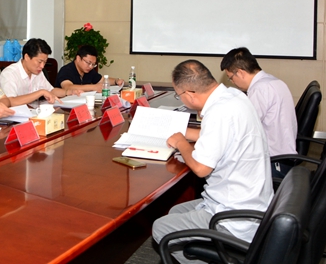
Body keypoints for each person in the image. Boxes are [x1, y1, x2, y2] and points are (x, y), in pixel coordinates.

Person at [152, 60, 273, 264]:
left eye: (179, 95)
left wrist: (181, 143)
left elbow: (201, 168)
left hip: (234, 215)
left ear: (189, 94)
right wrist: (182, 132)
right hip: (250, 199)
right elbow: (216, 135)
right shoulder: (233, 97)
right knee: (175, 211)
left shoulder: (218, 112)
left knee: (160, 228)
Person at [220, 47, 297, 178]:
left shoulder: (259, 89)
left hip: (274, 163)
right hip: (284, 158)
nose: (232, 82)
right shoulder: (272, 81)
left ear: (240, 73)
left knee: (220, 169)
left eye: (231, 78)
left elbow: (242, 129)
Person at [0, 38, 81, 107]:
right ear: (27, 57)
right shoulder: (9, 73)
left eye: (44, 62)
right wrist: (40, 92)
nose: (42, 66)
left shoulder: (37, 71)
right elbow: (10, 101)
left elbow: (51, 91)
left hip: (36, 113)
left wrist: (68, 92)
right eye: (39, 61)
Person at [55, 45, 123, 92]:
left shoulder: (89, 71)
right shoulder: (66, 70)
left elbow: (102, 80)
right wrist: (93, 87)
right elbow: (67, 87)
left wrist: (116, 81)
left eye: (93, 64)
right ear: (78, 58)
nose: (90, 67)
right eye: (88, 63)